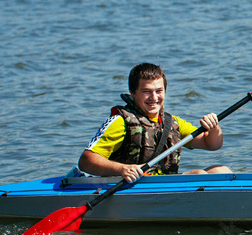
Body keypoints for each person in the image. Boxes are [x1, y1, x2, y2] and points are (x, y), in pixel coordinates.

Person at [74, 63, 231, 183]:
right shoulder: (121, 122)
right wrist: (123, 169)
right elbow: (86, 161)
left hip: (163, 184)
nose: (154, 97)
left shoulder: (172, 122)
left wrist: (214, 126)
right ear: (133, 94)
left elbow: (212, 144)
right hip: (132, 187)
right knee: (200, 175)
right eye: (147, 92)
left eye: (159, 91)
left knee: (222, 171)